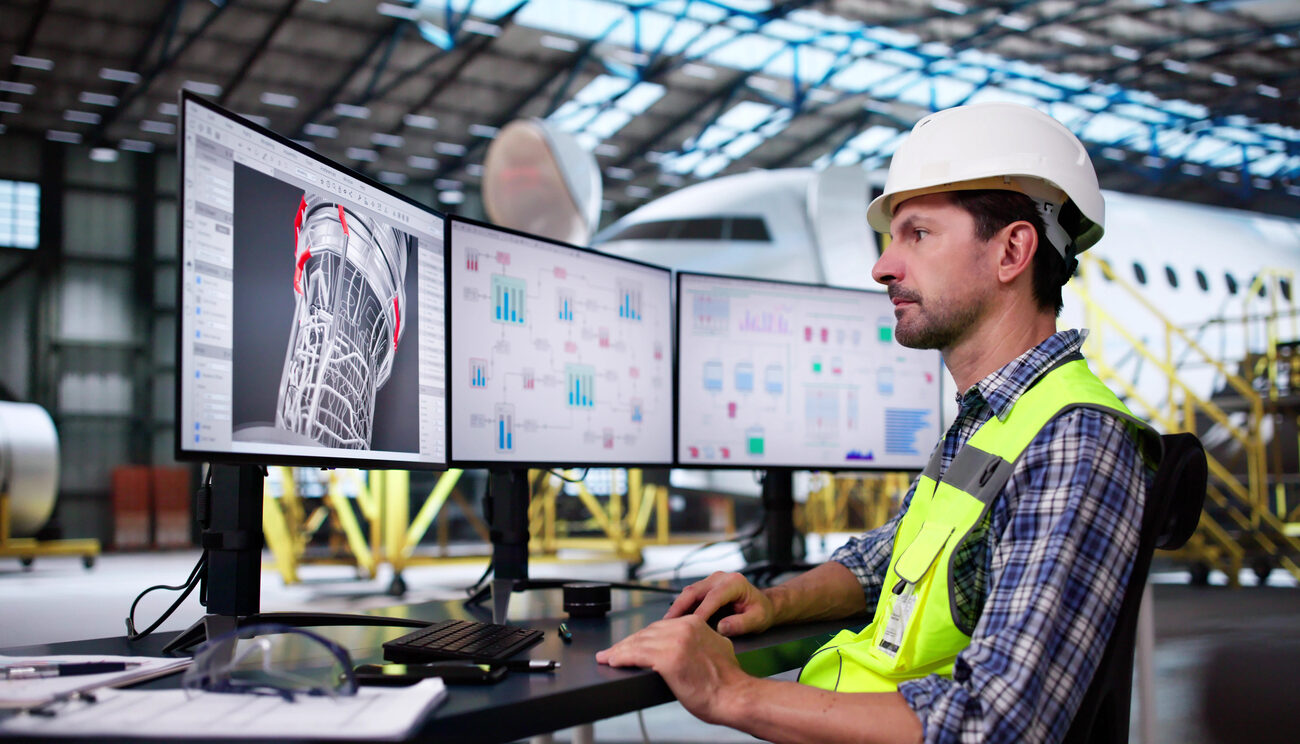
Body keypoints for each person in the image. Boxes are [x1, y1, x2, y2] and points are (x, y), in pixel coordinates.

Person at [596, 102, 1160, 744]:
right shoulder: (992, 419)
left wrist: (731, 693)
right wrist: (772, 600)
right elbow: (890, 558)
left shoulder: (1075, 440)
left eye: (917, 234)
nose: (882, 266)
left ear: (1011, 251)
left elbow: (1000, 724)